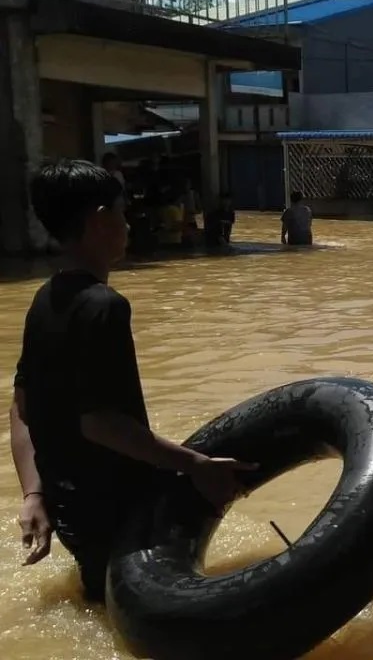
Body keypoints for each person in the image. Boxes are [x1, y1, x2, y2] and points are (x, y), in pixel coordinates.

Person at [9, 159, 255, 602]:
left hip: (70, 510)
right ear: (100, 220)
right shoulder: (104, 305)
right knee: (137, 609)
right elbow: (100, 424)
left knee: (103, 600)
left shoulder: (45, 298)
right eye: (122, 213)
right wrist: (195, 465)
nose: (127, 224)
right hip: (114, 508)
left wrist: (34, 494)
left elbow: (21, 408)